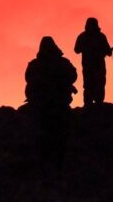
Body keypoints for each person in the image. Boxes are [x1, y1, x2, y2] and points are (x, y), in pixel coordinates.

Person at [24, 36, 78, 169]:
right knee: (58, 138)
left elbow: (28, 78)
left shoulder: (35, 64)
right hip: (56, 105)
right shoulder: (62, 63)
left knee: (46, 138)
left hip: (45, 106)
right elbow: (73, 75)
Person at [73, 17, 113, 106]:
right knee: (96, 85)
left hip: (90, 66)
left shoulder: (83, 36)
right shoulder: (100, 36)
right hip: (96, 66)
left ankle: (89, 106)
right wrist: (108, 51)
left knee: (90, 85)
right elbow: (108, 51)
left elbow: (76, 50)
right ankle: (95, 106)